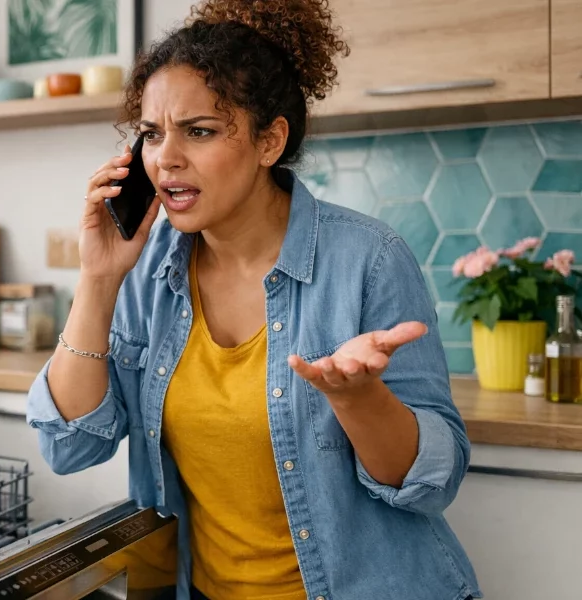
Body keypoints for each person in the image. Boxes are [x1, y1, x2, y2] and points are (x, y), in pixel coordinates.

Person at [26, 0, 481, 598]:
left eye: (199, 131)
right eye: (152, 134)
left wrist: (360, 399)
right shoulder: (146, 269)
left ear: (270, 141)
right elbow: (69, 446)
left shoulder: (368, 259)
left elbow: (431, 484)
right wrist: (99, 277)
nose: (165, 158)